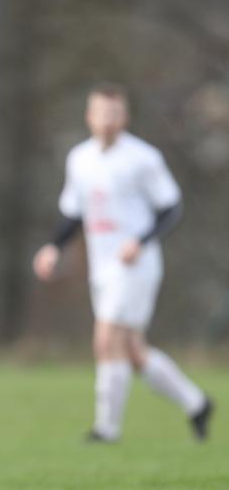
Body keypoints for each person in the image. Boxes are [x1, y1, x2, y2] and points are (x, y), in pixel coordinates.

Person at [33, 82, 213, 442]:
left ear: (125, 117)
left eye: (114, 114)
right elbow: (73, 213)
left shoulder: (143, 158)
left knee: (106, 338)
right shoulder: (79, 158)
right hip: (102, 266)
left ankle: (106, 429)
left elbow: (171, 207)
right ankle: (197, 403)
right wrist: (54, 247)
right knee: (133, 351)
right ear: (89, 116)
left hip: (135, 265)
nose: (107, 120)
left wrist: (141, 241)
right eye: (101, 113)